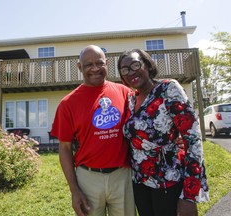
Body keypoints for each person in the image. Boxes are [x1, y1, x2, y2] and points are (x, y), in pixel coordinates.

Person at [117, 48, 209, 216]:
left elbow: (193, 139)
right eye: (125, 69)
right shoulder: (131, 100)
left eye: (136, 65)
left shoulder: (168, 89)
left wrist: (190, 195)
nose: (131, 72)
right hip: (140, 182)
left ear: (147, 65)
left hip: (168, 180)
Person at [51, 45, 137, 216]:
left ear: (107, 63)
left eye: (99, 63)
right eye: (88, 64)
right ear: (79, 67)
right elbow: (65, 149)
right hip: (88, 179)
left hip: (122, 176)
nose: (95, 69)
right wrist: (74, 190)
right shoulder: (68, 104)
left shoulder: (125, 93)